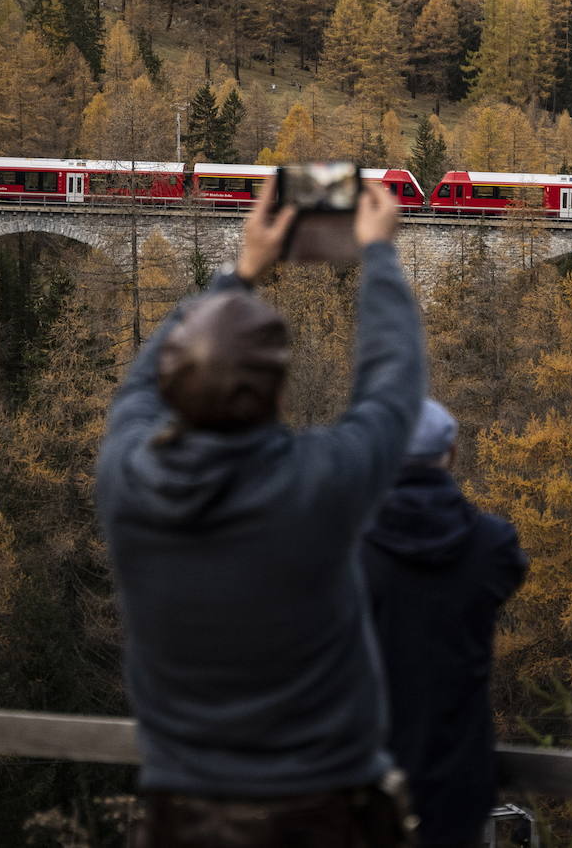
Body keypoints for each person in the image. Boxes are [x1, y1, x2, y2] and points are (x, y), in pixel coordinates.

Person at [96, 179, 426, 847]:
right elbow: (392, 387)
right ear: (279, 385)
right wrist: (380, 258)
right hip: (323, 814)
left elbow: (140, 383)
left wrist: (239, 272)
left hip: (178, 813)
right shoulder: (315, 484)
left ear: (172, 381)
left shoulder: (126, 477)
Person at [362, 400, 529, 848]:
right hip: (457, 774)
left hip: (360, 769)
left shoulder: (345, 545)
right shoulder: (493, 545)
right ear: (452, 453)